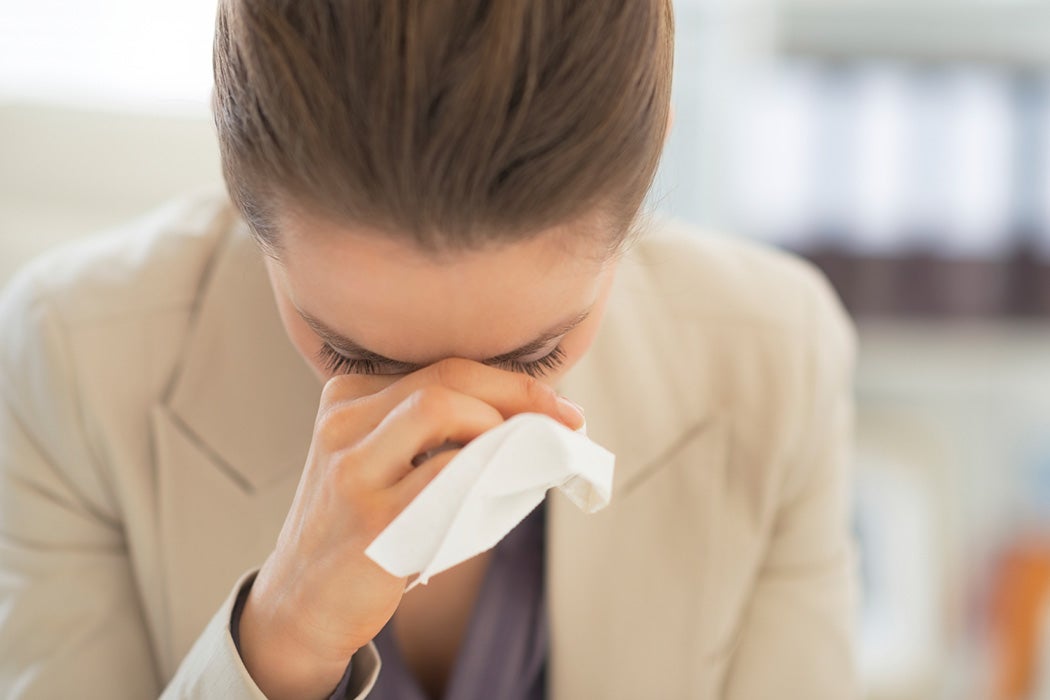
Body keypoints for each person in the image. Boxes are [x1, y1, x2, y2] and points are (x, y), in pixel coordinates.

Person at [0, 1, 859, 698]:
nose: (449, 419)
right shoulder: (70, 359)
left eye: (532, 355)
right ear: (237, 177)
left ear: (651, 166)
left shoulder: (778, 361)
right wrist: (277, 646)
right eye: (353, 355)